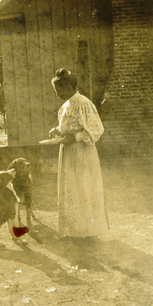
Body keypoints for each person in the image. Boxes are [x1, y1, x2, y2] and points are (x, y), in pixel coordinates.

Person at [49, 68, 109, 239]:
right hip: (68, 153)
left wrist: (75, 137)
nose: (57, 95)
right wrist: (57, 131)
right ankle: (73, 230)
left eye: (59, 90)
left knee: (83, 188)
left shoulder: (84, 103)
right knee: (71, 189)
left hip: (83, 153)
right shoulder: (64, 107)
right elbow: (65, 130)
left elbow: (97, 130)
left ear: (69, 87)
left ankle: (88, 230)